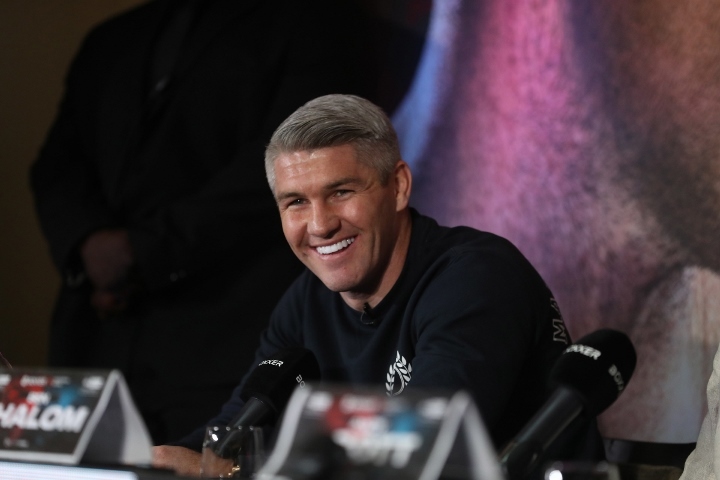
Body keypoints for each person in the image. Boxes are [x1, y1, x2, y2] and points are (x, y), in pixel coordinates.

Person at [152, 94, 603, 476]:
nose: (320, 225)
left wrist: (227, 472)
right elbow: (238, 427)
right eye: (296, 202)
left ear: (399, 187)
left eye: (341, 192)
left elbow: (418, 449)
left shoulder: (477, 277)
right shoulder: (305, 302)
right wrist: (166, 462)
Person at [30, 0, 373, 444]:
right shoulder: (109, 38)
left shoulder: (312, 22)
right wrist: (89, 244)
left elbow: (294, 168)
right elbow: (57, 165)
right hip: (94, 343)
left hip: (224, 344)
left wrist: (141, 251)